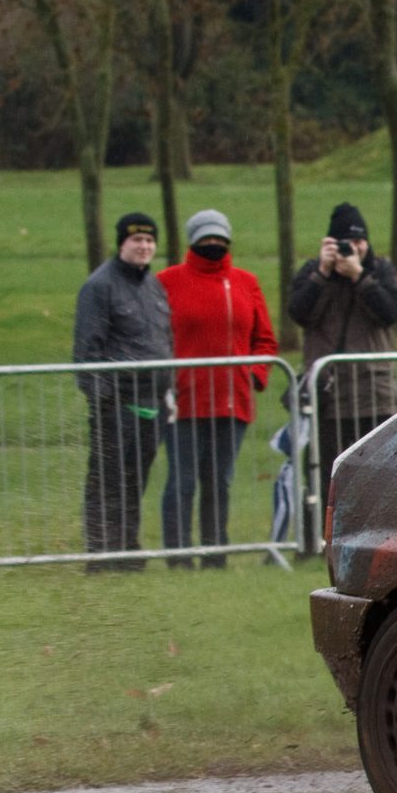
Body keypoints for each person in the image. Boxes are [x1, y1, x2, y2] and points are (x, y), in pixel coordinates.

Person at [158, 208, 278, 562]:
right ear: (192, 242)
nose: (213, 245)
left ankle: (215, 553)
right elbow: (155, 337)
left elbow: (265, 340)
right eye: (205, 239)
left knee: (219, 482)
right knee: (182, 482)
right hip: (184, 402)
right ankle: (178, 556)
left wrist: (254, 374)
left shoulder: (245, 282)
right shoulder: (166, 281)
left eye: (219, 239)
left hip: (232, 402)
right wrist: (166, 381)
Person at [72, 211, 173, 568]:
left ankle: (127, 548)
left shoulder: (152, 285)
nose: (144, 246)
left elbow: (163, 339)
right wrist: (104, 400)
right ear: (121, 244)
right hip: (116, 404)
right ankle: (101, 553)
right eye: (137, 240)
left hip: (152, 403)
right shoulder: (99, 287)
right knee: (107, 482)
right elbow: (87, 351)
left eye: (149, 240)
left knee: (135, 481)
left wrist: (167, 392)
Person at [288, 202, 397, 493]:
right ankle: (320, 538)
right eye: (344, 242)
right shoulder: (313, 272)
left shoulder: (381, 270)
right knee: (324, 480)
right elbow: (299, 313)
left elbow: (390, 312)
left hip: (374, 396)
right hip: (329, 397)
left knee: (378, 478)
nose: (352, 248)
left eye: (358, 241)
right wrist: (323, 273)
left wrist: (359, 277)